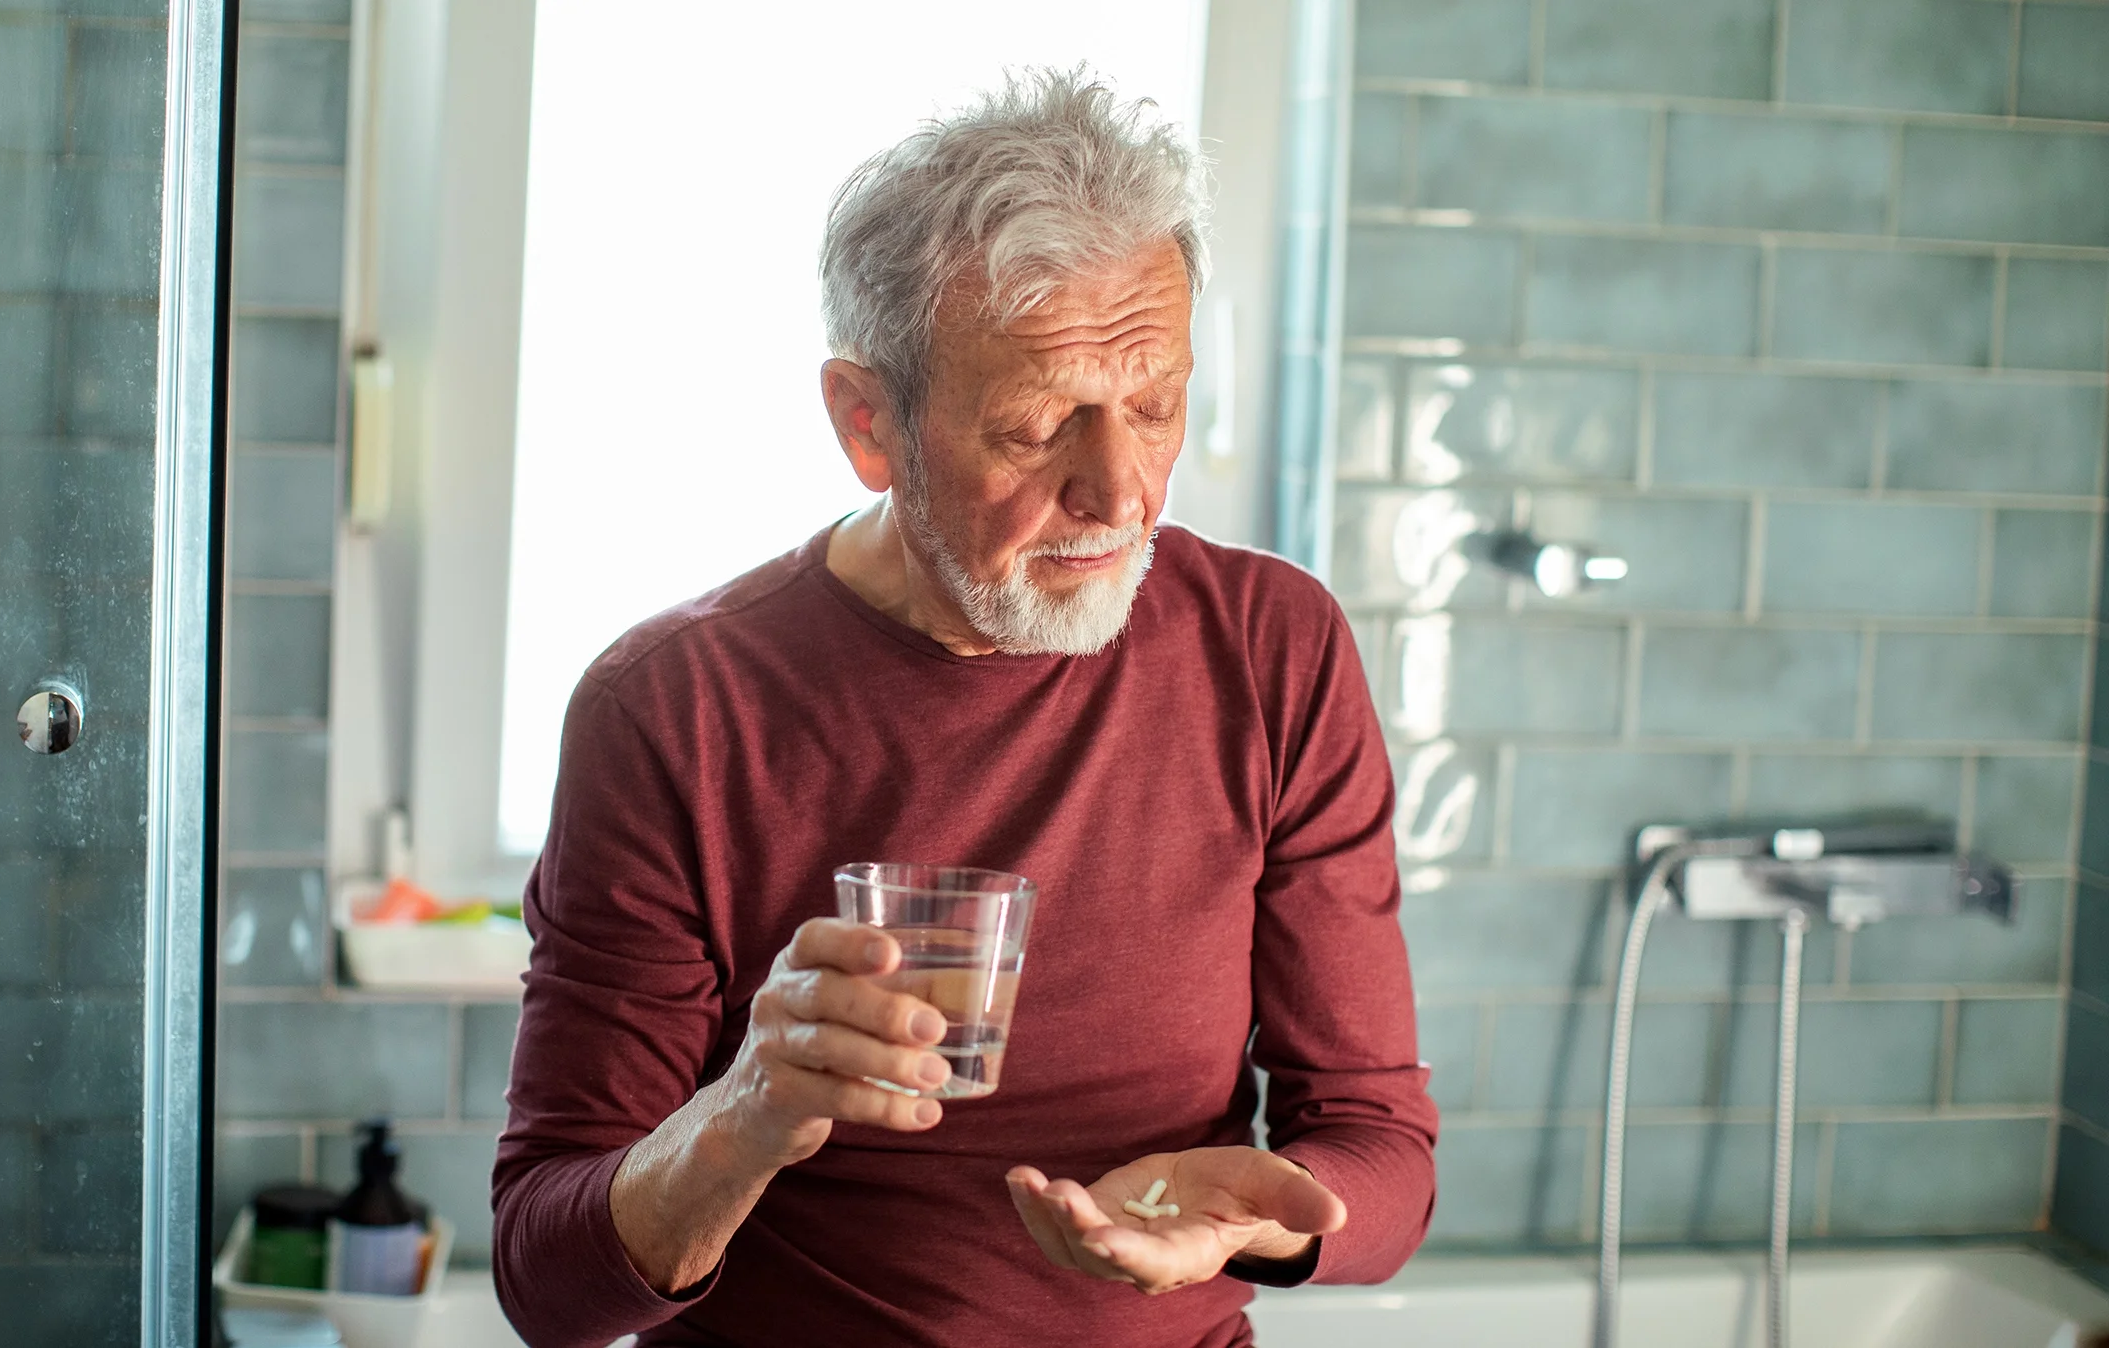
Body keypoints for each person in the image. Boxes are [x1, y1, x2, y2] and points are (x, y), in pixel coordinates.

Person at [490, 69, 1436, 1348]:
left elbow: (1381, 1153)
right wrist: (747, 1114)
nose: (1119, 492)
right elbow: (547, 1287)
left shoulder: (1273, 649)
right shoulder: (674, 710)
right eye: (1040, 426)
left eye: (1154, 407)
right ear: (869, 423)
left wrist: (1260, 1218)